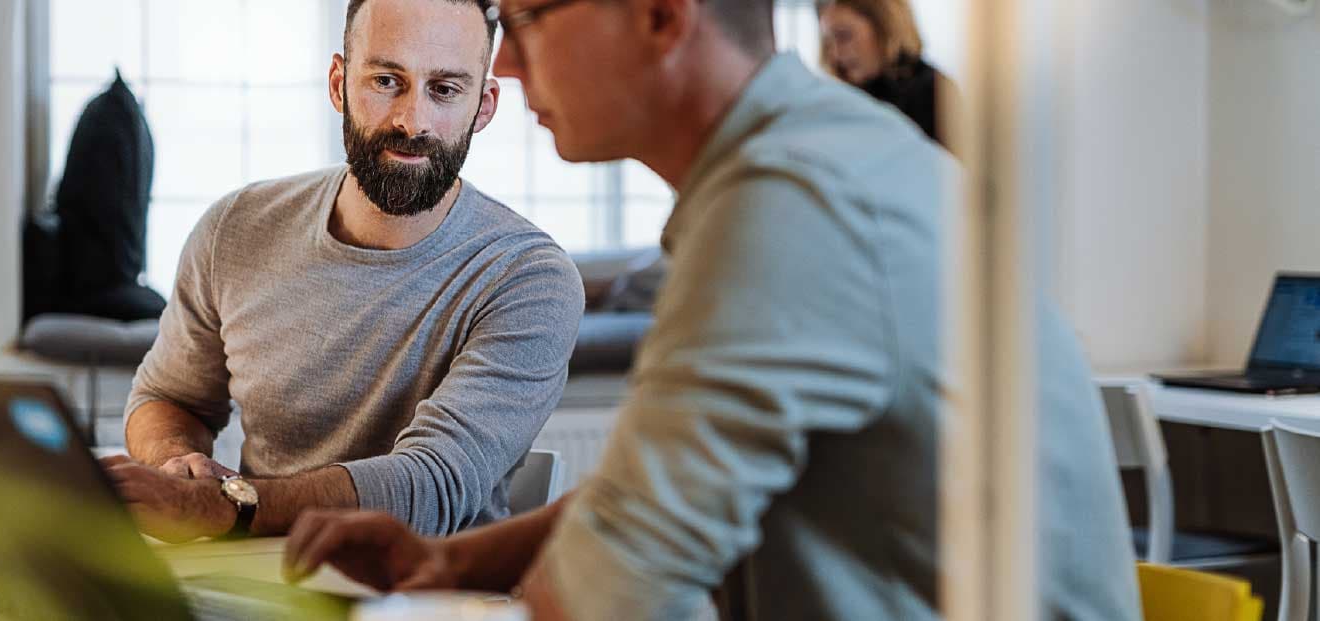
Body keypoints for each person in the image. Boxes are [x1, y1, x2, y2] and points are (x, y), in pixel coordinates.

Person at [282, 0, 1142, 619]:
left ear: (661, 17)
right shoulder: (800, 157)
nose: (504, 63)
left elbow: (611, 589)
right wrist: (447, 559)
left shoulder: (790, 205)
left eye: (532, 17)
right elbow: (638, 499)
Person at [100, 0, 586, 544]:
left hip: (425, 594)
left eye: (444, 90)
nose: (412, 121)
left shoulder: (528, 279)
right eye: (385, 80)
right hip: (245, 575)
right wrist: (176, 464)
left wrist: (224, 505)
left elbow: (429, 485)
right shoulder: (235, 229)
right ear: (338, 84)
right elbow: (170, 398)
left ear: (484, 105)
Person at [817, 0, 956, 150]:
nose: (836, 54)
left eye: (844, 36)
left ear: (884, 26)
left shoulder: (936, 92)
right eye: (828, 42)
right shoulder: (844, 97)